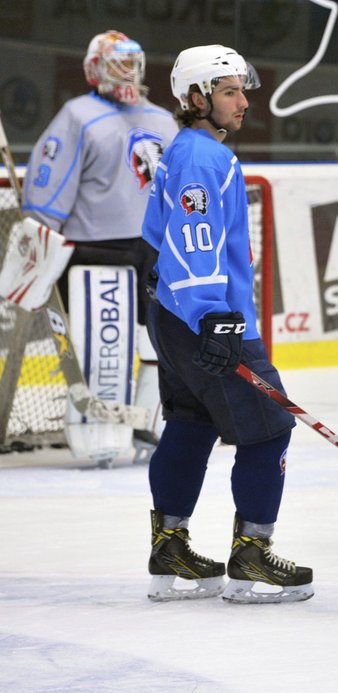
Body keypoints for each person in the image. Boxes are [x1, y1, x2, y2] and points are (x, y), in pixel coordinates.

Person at [140, 44, 313, 603]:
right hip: (205, 317)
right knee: (271, 429)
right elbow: (193, 244)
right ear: (196, 98)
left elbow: (152, 237)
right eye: (229, 92)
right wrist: (213, 315)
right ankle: (252, 557)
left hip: (175, 313)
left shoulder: (188, 151)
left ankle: (170, 544)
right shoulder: (202, 160)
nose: (243, 103)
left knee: (191, 423)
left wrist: (179, 305)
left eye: (243, 90)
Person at [22, 30, 178, 457]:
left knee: (159, 341)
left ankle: (148, 421)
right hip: (94, 251)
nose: (126, 71)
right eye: (116, 62)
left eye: (132, 62)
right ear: (94, 69)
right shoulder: (78, 115)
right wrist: (38, 246)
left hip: (152, 250)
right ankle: (95, 433)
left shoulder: (164, 120)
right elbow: (46, 193)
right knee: (103, 344)